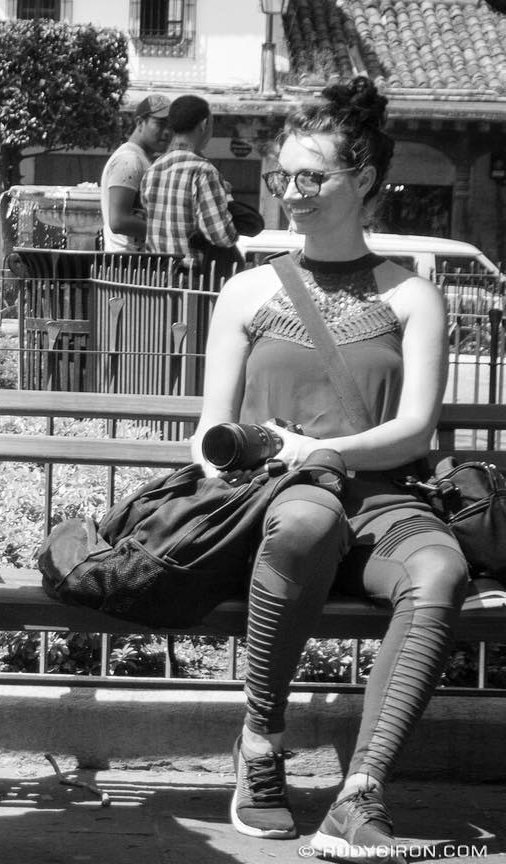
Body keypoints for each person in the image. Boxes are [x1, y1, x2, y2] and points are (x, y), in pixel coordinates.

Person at [192, 77, 469, 862]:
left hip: (380, 496)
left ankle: (359, 795)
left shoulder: (413, 296)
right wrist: (234, 458)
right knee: (307, 517)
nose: (290, 193)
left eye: (311, 177)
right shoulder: (246, 290)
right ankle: (260, 745)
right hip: (278, 499)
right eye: (283, 177)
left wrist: (323, 450)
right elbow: (209, 427)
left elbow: (413, 429)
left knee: (439, 568)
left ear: (368, 183)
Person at [140, 93, 240, 280]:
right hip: (192, 283)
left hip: (156, 280)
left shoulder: (153, 170)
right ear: (203, 125)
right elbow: (221, 236)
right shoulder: (203, 171)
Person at [99, 93, 171, 251]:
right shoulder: (129, 160)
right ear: (140, 123)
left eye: (170, 126)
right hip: (126, 265)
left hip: (136, 265)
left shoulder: (141, 159)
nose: (167, 132)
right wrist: (167, 232)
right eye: (160, 124)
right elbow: (118, 221)